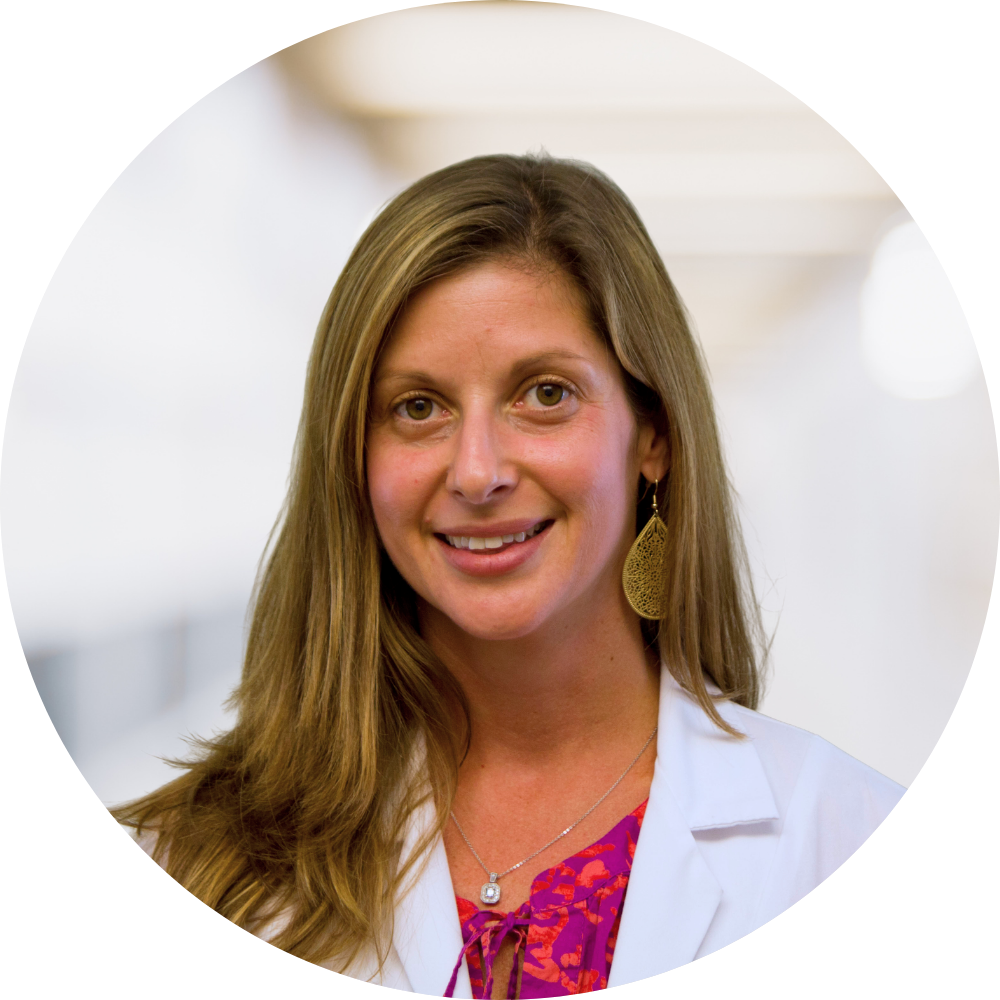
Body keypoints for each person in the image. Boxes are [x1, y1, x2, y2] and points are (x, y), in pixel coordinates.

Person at [113, 154, 903, 998]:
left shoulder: (865, 853)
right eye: (418, 408)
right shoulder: (185, 864)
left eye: (545, 394)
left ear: (654, 436)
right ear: (352, 457)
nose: (477, 471)